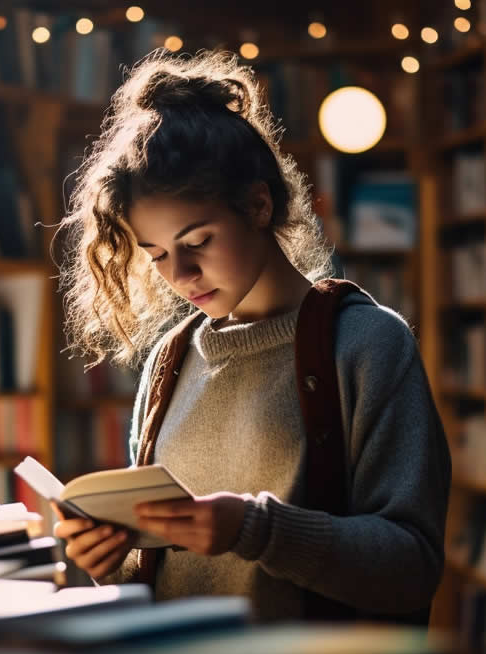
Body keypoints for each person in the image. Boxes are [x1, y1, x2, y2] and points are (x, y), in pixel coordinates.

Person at [52, 49, 450, 622]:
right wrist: (109, 562)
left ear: (259, 204)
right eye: (157, 254)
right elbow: (166, 575)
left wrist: (257, 530)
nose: (180, 276)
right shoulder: (170, 360)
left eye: (198, 241)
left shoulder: (366, 345)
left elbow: (411, 569)